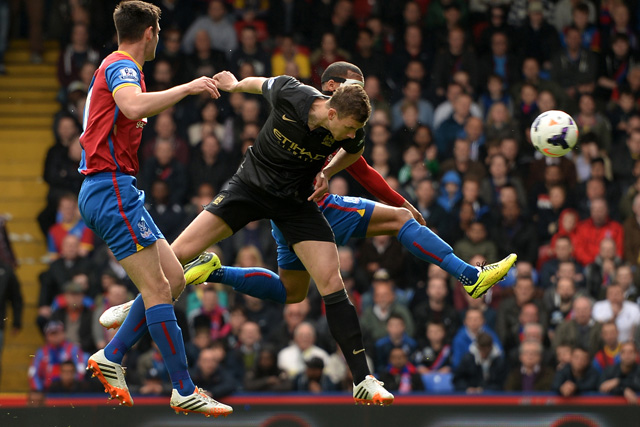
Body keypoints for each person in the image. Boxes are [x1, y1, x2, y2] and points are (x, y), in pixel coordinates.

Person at [101, 62, 515, 404]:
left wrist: (326, 171)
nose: (353, 135)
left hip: (296, 205)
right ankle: (134, 316)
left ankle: (362, 380)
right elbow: (259, 83)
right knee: (172, 257)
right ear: (332, 102)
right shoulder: (293, 94)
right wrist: (231, 83)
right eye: (349, 124)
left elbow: (356, 157)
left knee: (316, 286)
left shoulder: (352, 128)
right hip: (248, 189)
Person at [76, 1, 231, 417]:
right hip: (109, 187)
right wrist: (188, 87)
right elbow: (132, 107)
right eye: (158, 31)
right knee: (160, 289)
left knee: (175, 279)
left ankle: (112, 354)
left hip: (112, 187)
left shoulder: (120, 67)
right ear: (150, 32)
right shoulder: (123, 67)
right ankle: (183, 387)